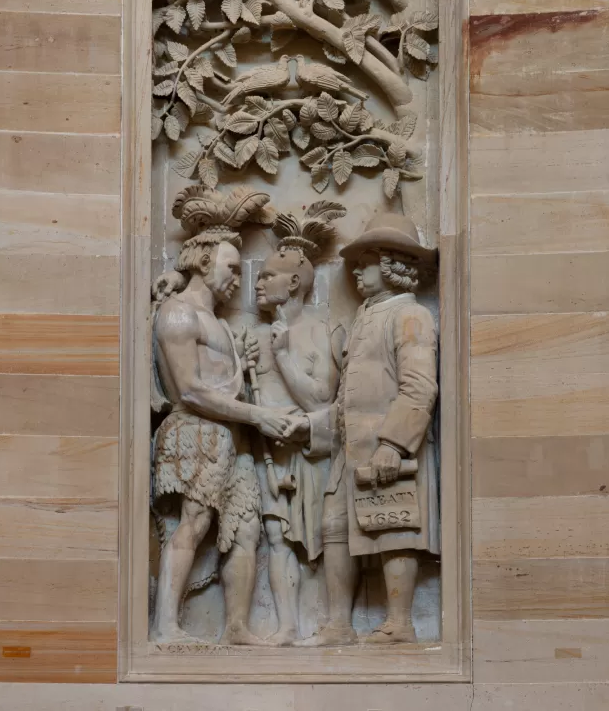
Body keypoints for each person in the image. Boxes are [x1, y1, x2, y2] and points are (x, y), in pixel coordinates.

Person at [150, 186, 301, 644]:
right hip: (194, 430)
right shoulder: (178, 314)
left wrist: (241, 357)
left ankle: (236, 626)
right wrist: (258, 415)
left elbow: (222, 379)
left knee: (246, 530)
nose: (238, 277)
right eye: (231, 267)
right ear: (202, 261)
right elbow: (193, 390)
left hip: (228, 436)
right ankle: (166, 626)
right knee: (192, 525)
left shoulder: (218, 323)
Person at [301, 212, 439, 646]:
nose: (357, 269)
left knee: (395, 525)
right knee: (335, 528)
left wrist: (394, 444)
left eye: (366, 260)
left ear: (393, 263)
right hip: (350, 448)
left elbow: (419, 386)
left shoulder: (410, 315)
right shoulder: (365, 317)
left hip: (388, 447)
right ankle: (338, 624)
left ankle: (400, 623)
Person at [246, 201, 345, 644]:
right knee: (276, 536)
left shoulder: (324, 331)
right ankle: (287, 624)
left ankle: (331, 621)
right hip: (271, 454)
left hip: (312, 451)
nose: (258, 282)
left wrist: (284, 357)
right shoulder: (251, 336)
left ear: (294, 282)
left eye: (267, 275)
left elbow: (323, 398)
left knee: (325, 536)